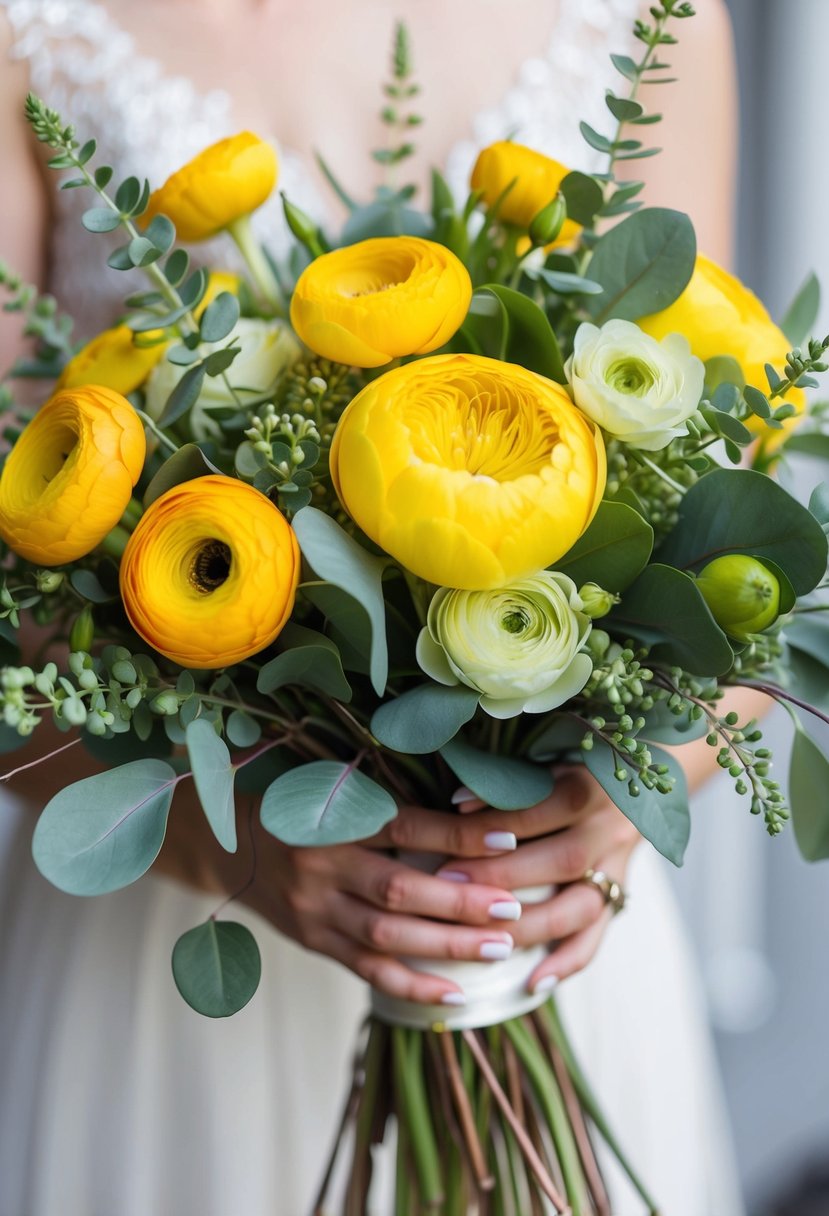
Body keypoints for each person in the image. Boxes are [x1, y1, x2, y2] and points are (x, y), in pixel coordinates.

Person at [0, 0, 750, 1212]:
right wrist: (219, 839)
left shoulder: (657, 20)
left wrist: (621, 804)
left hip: (540, 936)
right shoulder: (30, 29)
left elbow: (720, 518)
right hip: (166, 954)